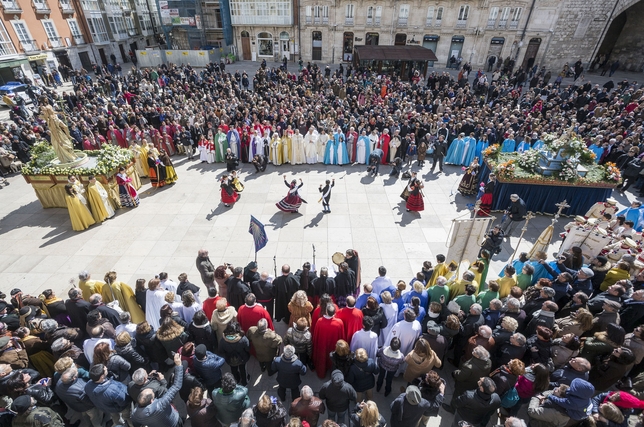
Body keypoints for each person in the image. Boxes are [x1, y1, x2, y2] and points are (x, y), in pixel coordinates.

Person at [131, 352, 183, 427]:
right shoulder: (160, 405)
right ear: (152, 400)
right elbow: (176, 386)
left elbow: (136, 424)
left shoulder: (135, 414)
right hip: (174, 423)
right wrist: (178, 365)